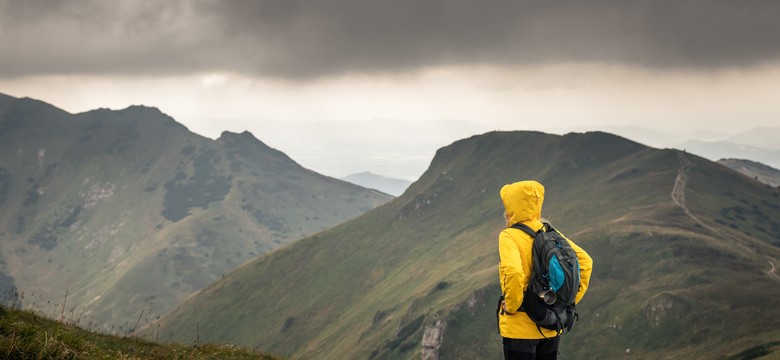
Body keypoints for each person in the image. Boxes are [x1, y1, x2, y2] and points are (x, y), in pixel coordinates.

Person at [498, 180, 593, 360]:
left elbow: (514, 273)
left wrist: (511, 307)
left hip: (520, 330)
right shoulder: (550, 232)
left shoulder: (509, 235)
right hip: (550, 325)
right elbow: (586, 263)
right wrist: (566, 302)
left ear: (511, 207)